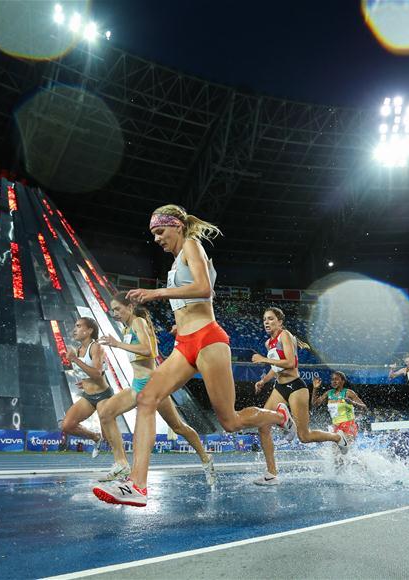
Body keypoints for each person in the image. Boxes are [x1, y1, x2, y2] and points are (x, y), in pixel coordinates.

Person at [93, 204, 294, 507]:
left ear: (176, 225)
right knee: (146, 398)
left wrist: (157, 293)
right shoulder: (175, 264)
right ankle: (137, 485)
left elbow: (204, 288)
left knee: (230, 421)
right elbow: (190, 301)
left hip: (209, 340)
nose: (156, 238)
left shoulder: (191, 244)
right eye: (153, 234)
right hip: (185, 343)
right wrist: (179, 324)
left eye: (160, 231)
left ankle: (279, 416)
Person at [96, 292, 216, 486]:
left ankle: (205, 457)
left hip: (152, 386)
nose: (115, 313)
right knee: (106, 414)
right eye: (112, 310)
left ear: (130, 307)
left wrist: (117, 344)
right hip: (137, 385)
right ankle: (121, 464)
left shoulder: (138, 322)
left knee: (178, 427)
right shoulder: (127, 328)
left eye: (118, 309)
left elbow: (149, 350)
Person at [250, 307, 347, 486]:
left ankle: (337, 437)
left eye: (270, 319)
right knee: (263, 426)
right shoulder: (268, 343)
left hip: (296, 386)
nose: (266, 322)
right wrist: (263, 381)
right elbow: (276, 368)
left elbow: (290, 362)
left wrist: (263, 359)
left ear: (280, 322)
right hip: (280, 387)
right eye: (264, 319)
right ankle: (271, 474)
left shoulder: (285, 335)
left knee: (304, 436)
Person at [61, 317, 123, 462]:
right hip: (88, 397)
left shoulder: (96, 347)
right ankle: (95, 437)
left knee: (109, 438)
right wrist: (84, 382)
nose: (74, 330)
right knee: (67, 425)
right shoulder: (78, 349)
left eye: (78, 326)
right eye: (75, 326)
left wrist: (75, 359)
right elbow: (89, 373)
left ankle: (121, 464)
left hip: (103, 396)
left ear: (89, 330)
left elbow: (97, 373)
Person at [311, 372, 368, 446]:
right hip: (336, 426)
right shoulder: (328, 393)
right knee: (335, 451)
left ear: (343, 381)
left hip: (349, 425)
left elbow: (364, 407)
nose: (334, 381)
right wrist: (315, 388)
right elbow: (315, 404)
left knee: (346, 447)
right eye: (332, 379)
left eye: (336, 379)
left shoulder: (349, 393)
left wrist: (352, 403)